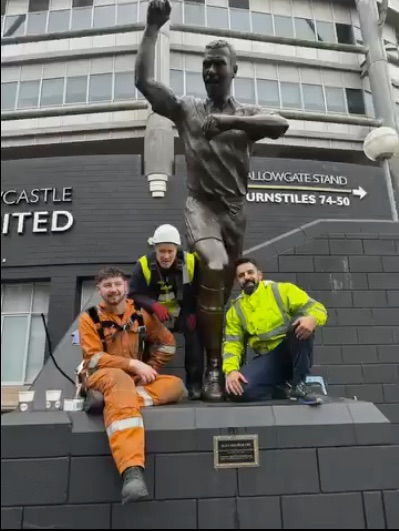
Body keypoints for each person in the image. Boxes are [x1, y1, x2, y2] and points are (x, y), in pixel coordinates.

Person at [135, 0, 289, 401]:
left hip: (234, 212)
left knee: (216, 293)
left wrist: (230, 122)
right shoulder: (188, 110)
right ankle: (215, 372)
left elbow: (280, 124)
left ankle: (206, 363)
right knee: (217, 265)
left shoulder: (248, 115)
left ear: (232, 70)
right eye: (205, 64)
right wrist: (152, 28)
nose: (210, 70)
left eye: (218, 63)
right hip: (200, 206)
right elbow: (145, 84)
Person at [78, 267, 185, 504]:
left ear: (125, 286)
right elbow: (93, 358)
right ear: (99, 290)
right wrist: (133, 365)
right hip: (101, 376)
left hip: (130, 382)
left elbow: (167, 343)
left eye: (117, 284)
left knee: (176, 386)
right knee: (120, 380)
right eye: (107, 286)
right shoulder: (89, 318)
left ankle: (112, 403)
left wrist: (151, 368)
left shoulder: (140, 314)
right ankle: (132, 472)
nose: (113, 290)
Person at [223, 258, 328, 406]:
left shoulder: (282, 290)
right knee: (236, 391)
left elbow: (317, 307)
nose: (246, 277)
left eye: (250, 272)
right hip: (268, 362)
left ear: (259, 275)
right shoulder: (236, 311)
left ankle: (301, 386)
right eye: (241, 275)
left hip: (292, 354)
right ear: (237, 281)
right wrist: (231, 371)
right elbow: (232, 344)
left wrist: (313, 319)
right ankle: (281, 390)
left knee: (300, 325)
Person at [128, 224, 204, 400]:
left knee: (195, 336)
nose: (166, 256)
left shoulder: (191, 261)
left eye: (170, 251)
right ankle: (141, 379)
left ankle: (194, 385)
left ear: (176, 249)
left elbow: (201, 290)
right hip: (153, 314)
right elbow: (133, 294)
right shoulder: (144, 264)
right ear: (155, 249)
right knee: (141, 336)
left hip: (183, 311)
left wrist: (193, 312)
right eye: (161, 251)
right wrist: (153, 305)